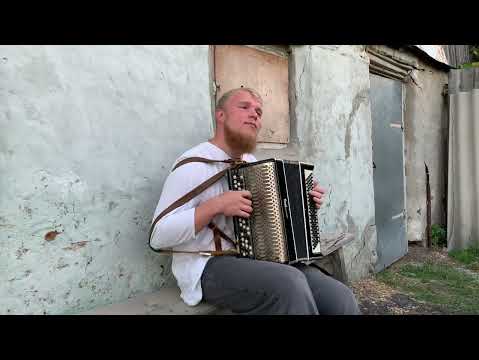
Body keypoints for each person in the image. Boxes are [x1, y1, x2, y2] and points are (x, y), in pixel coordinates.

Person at [150, 87, 361, 315]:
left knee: (339, 296)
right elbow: (158, 237)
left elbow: (272, 216)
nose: (255, 114)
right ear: (221, 115)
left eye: (259, 112)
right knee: (289, 285)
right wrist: (216, 206)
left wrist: (304, 203)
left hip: (258, 260)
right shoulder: (192, 165)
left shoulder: (251, 163)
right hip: (206, 267)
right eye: (244, 107)